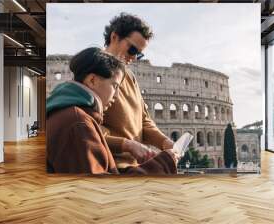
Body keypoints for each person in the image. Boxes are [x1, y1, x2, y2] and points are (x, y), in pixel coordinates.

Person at [46, 47, 178, 174]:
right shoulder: (78, 124)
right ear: (92, 80)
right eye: (114, 86)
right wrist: (164, 163)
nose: (116, 96)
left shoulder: (74, 115)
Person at [102, 13, 175, 169]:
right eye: (132, 49)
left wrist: (164, 142)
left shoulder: (130, 76)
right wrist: (126, 145)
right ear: (114, 37)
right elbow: (85, 128)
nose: (134, 57)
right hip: (111, 166)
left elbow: (144, 120)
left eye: (139, 54)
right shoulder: (92, 71)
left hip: (133, 166)